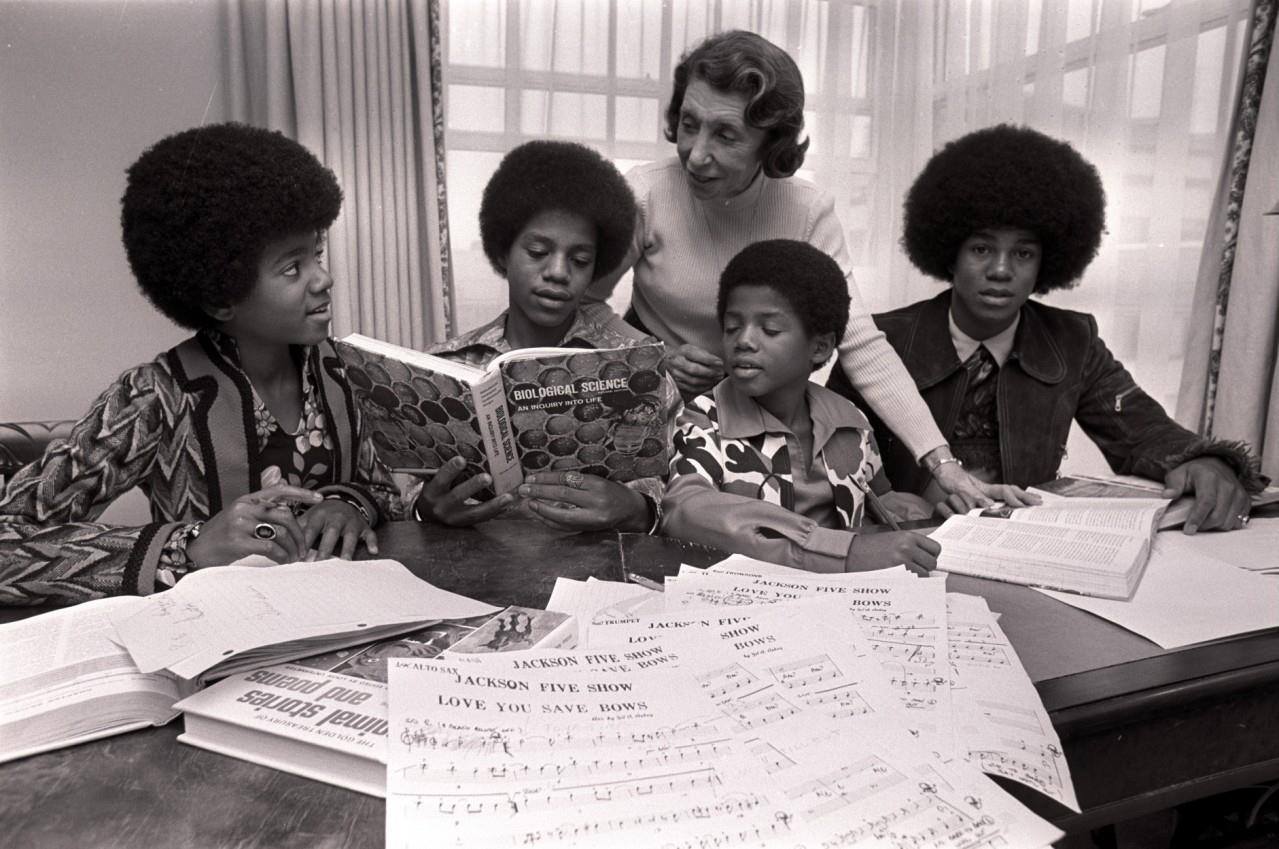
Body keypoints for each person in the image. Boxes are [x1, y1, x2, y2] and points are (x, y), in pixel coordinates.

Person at [585, 29, 1020, 510]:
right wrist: (655, 358)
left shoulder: (807, 210)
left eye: (726, 135)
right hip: (654, 408)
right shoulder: (645, 193)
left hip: (755, 422)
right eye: (689, 124)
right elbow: (584, 304)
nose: (696, 153)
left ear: (771, 144)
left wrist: (942, 463)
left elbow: (859, 342)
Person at [0, 122, 403, 606]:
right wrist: (187, 546)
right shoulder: (153, 398)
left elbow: (387, 491)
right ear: (219, 297)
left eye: (316, 254)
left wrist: (349, 504)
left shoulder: (346, 372)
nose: (324, 278)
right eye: (292, 267)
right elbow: (7, 540)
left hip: (351, 623)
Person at [827, 124, 1265, 532]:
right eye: (981, 249)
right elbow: (830, 462)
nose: (1001, 270)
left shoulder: (1072, 341)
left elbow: (1142, 430)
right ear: (949, 253)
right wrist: (902, 508)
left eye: (1023, 254)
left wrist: (1206, 462)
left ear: (1048, 262)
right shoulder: (878, 344)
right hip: (909, 545)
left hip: (1024, 543)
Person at [413, 140, 678, 533]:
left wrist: (641, 510)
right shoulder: (442, 368)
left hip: (603, 565)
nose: (558, 272)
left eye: (580, 260)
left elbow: (674, 490)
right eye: (538, 252)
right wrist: (424, 508)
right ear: (502, 253)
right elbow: (404, 492)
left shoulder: (637, 367)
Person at [661, 239, 940, 574]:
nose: (744, 340)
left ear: (820, 347)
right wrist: (843, 552)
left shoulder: (851, 421)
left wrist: (938, 516)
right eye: (732, 327)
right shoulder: (704, 419)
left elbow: (881, 501)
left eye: (770, 329)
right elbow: (685, 510)